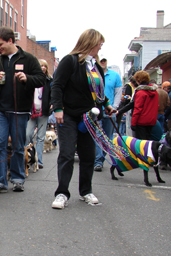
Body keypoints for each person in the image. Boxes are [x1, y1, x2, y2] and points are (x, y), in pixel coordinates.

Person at [50, 29, 115, 209]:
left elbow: (98, 92)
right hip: (68, 115)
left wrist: (107, 105)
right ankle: (62, 193)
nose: (101, 46)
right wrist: (58, 109)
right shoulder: (69, 61)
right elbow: (57, 85)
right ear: (90, 42)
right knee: (67, 154)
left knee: (88, 156)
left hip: (90, 117)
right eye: (99, 42)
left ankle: (86, 191)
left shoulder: (95, 67)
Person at [0, 27, 45, 193]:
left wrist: (27, 78)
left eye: (0, 44)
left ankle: (18, 179)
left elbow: (41, 79)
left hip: (20, 110)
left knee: (18, 145)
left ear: (11, 41)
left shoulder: (29, 59)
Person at [94, 57, 122, 172]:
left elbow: (118, 93)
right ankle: (98, 161)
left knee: (108, 138)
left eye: (104, 60)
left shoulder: (115, 76)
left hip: (110, 111)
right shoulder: (94, 74)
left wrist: (114, 108)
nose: (103, 62)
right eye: (101, 60)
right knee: (98, 136)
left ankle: (103, 159)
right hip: (97, 111)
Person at [26, 59, 53, 169]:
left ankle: (39, 161)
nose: (42, 68)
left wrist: (52, 105)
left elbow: (53, 94)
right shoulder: (31, 79)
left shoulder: (49, 80)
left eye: (44, 66)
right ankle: (31, 157)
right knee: (28, 135)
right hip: (31, 111)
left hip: (44, 112)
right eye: (40, 66)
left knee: (41, 138)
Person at [118, 71, 158, 140]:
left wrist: (133, 123)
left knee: (140, 143)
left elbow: (137, 108)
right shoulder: (155, 92)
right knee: (147, 141)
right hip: (151, 121)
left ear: (138, 80)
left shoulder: (141, 92)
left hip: (141, 122)